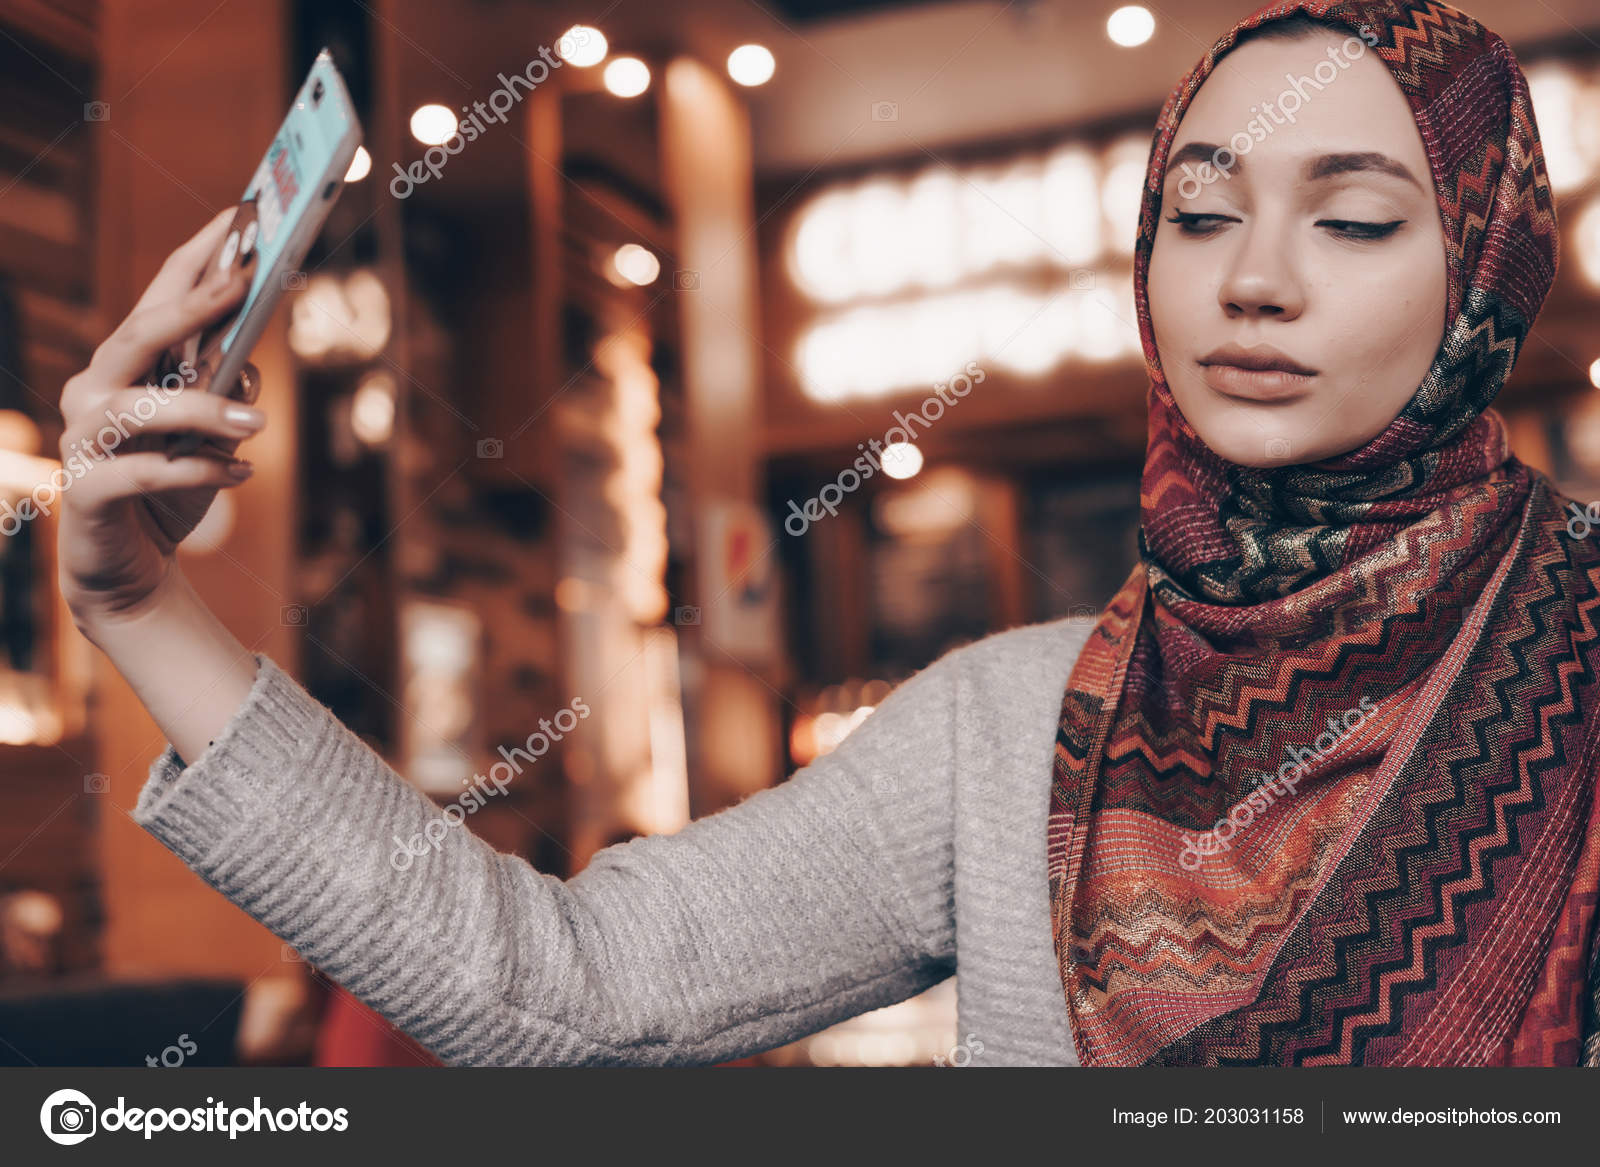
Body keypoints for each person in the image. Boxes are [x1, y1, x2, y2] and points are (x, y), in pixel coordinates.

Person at [55, 0, 1599, 1066]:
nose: (1255, 277)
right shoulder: (1012, 730)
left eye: (1354, 217)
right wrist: (139, 605)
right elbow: (562, 991)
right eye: (1200, 212)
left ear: (1484, 267)